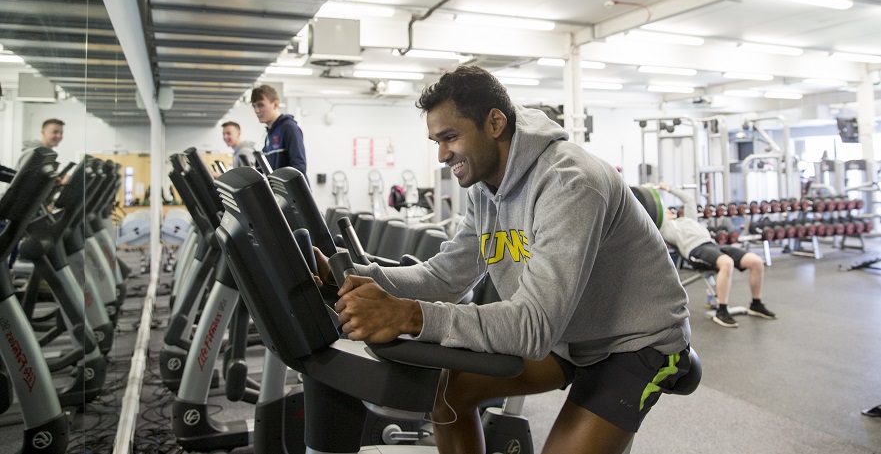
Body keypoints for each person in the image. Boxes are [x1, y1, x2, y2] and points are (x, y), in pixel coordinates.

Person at [313, 65, 692, 454]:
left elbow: (533, 327)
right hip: (570, 333)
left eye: (450, 137)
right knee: (450, 394)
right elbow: (444, 277)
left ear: (495, 123)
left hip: (634, 342)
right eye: (436, 141)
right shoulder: (484, 189)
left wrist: (409, 316)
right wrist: (346, 276)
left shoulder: (570, 183)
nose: (441, 154)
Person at [654, 182, 777, 328]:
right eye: (666, 211)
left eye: (669, 210)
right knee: (727, 262)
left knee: (756, 261)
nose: (669, 211)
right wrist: (651, 192)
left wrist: (668, 188)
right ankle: (722, 311)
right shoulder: (663, 227)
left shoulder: (688, 219)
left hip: (713, 245)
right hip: (695, 250)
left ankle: (756, 304)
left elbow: (689, 200)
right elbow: (650, 210)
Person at [250, 84, 307, 174]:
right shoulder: (269, 134)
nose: (256, 110)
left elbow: (299, 168)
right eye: (254, 106)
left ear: (275, 104)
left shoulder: (289, 128)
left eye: (261, 105)